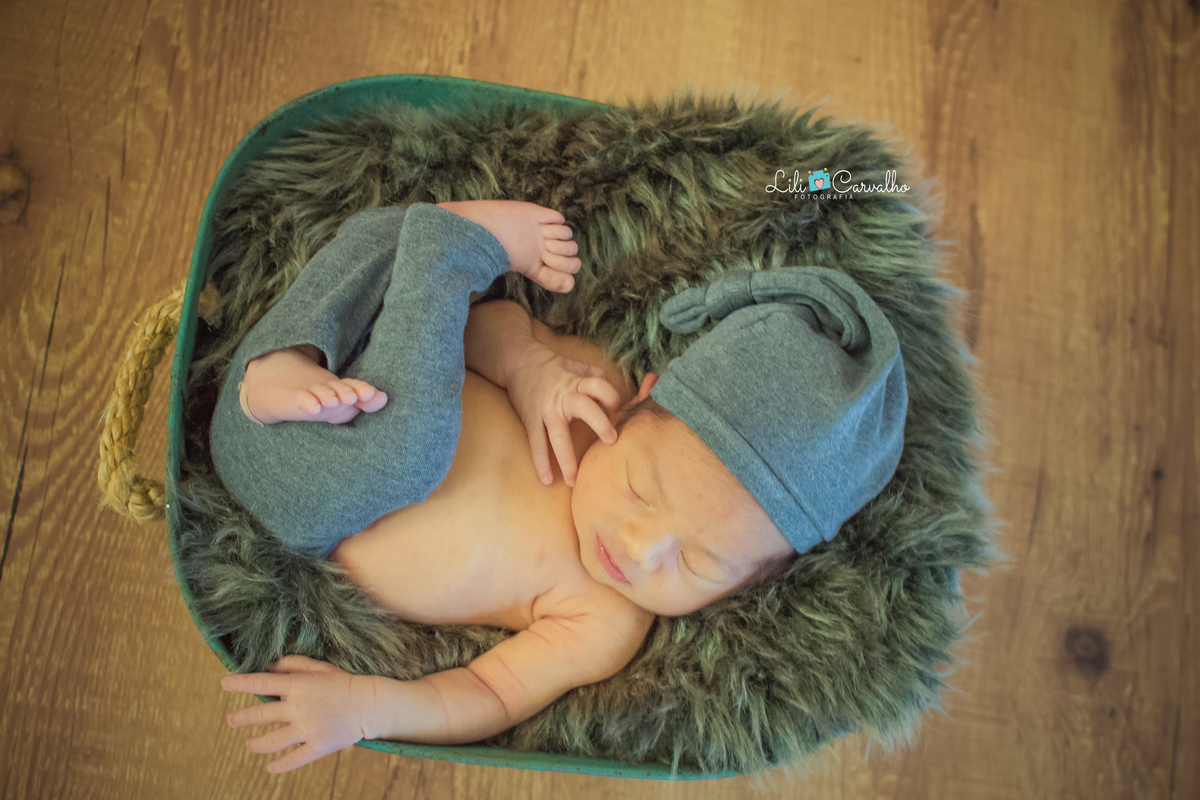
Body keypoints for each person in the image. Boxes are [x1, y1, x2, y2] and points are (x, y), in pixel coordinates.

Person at [213, 200, 908, 774]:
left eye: (698, 563)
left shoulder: (606, 623)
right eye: (640, 488)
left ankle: (447, 243)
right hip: (334, 386)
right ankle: (288, 359)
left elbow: (488, 691)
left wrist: (368, 708)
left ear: (748, 586)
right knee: (371, 247)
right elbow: (480, 327)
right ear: (642, 402)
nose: (639, 549)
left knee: (409, 455)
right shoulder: (588, 399)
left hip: (305, 502)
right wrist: (528, 369)